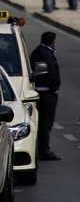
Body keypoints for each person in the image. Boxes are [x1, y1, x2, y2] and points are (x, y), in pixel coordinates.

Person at [30, 32, 61, 161]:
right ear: (52, 41)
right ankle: (44, 150)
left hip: (39, 91)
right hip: (46, 94)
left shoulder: (37, 52)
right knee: (45, 123)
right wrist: (54, 87)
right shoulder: (47, 54)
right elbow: (49, 74)